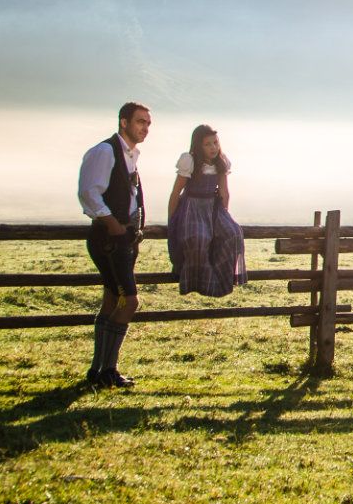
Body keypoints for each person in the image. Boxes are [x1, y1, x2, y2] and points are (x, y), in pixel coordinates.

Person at [77, 101, 149, 387]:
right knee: (129, 301)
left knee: (110, 299)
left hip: (121, 238)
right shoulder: (105, 151)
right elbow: (89, 192)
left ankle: (98, 370)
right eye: (140, 122)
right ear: (123, 122)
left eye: (147, 123)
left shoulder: (130, 155)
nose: (145, 128)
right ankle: (108, 369)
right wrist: (114, 225)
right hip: (109, 239)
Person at [167, 123, 248, 297]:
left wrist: (223, 216)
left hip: (213, 208)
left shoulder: (222, 162)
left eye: (215, 143)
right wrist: (172, 219)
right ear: (198, 145)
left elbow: (225, 193)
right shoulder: (189, 161)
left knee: (233, 233)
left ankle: (221, 280)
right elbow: (176, 192)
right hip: (192, 208)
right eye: (208, 144)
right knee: (198, 238)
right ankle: (197, 283)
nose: (213, 147)